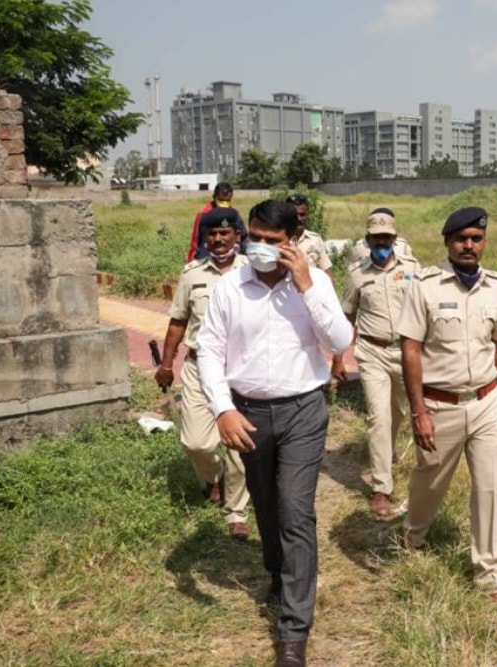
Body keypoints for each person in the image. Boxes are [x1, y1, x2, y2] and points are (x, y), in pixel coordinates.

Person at [196, 199, 352, 667]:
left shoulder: (315, 284)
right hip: (247, 414)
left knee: (294, 509)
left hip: (304, 409)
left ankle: (293, 631)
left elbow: (340, 341)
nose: (261, 249)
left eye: (273, 242)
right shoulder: (230, 288)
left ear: (292, 244)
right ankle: (277, 573)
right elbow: (208, 350)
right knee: (265, 503)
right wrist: (222, 409)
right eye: (256, 239)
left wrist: (307, 287)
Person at [396, 206, 497, 602]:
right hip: (439, 405)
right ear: (447, 242)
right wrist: (419, 412)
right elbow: (410, 350)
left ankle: (490, 573)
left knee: (491, 488)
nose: (469, 245)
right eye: (462, 239)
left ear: (484, 243)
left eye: (476, 239)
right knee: (429, 481)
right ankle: (414, 534)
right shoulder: (426, 286)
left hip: (486, 402)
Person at [155, 210, 251, 541]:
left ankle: (236, 512)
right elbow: (178, 321)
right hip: (198, 367)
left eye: (225, 234)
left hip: (238, 369)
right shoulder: (191, 274)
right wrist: (166, 364)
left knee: (239, 446)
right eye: (212, 234)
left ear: (237, 237)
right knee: (195, 442)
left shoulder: (251, 272)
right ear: (204, 238)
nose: (219, 239)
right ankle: (214, 477)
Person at [332, 210, 422, 517]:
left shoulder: (412, 268)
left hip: (408, 353)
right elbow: (346, 318)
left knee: (404, 413)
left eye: (387, 238)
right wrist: (337, 357)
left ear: (394, 239)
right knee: (379, 417)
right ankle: (381, 487)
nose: (381, 243)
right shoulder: (357, 273)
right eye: (376, 239)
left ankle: (399, 458)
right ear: (367, 240)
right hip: (372, 352)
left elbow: (425, 309)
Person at [186, 182, 247, 262]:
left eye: (228, 200)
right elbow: (195, 240)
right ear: (214, 197)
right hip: (206, 258)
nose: (225, 203)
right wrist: (190, 262)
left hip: (229, 259)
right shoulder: (204, 214)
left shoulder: (234, 215)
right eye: (221, 200)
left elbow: (243, 237)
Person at [286, 193, 333, 279]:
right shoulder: (279, 240)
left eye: (302, 214)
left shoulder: (315, 240)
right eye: (294, 215)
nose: (299, 219)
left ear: (307, 215)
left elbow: (327, 272)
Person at [347, 207, 417, 265]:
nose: (381, 241)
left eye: (386, 236)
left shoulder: (402, 245)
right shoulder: (359, 247)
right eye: (376, 236)